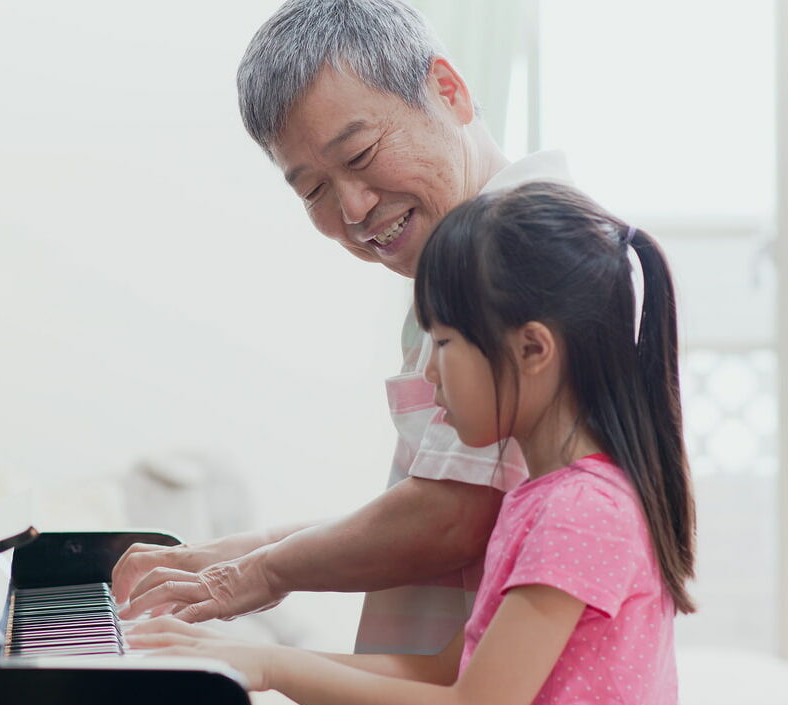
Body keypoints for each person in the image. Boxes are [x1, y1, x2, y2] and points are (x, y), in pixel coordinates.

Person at [130, 181, 696, 705]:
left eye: (444, 343)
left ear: (531, 349)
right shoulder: (543, 499)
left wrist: (270, 666)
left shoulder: (580, 512)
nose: (429, 374)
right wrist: (248, 660)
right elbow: (440, 673)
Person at [113, 0, 570, 659]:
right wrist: (241, 553)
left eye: (359, 154)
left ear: (450, 92)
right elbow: (439, 495)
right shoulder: (462, 261)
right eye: (313, 191)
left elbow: (452, 520)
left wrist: (260, 573)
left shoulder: (519, 252)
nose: (352, 209)